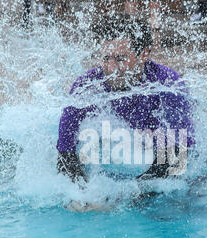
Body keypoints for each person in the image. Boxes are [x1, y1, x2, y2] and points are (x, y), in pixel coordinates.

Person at [56, 14, 196, 184]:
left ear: (143, 54)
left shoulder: (167, 86)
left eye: (120, 58)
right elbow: (65, 155)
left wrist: (123, 196)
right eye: (106, 58)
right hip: (118, 159)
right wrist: (84, 194)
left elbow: (176, 161)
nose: (112, 68)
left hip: (166, 163)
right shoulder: (87, 87)